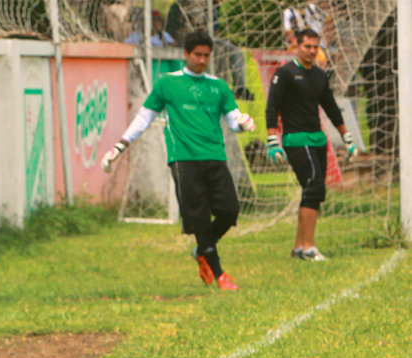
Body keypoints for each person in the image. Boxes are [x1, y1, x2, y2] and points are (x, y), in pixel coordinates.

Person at [102, 30, 256, 290]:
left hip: (214, 156)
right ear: (185, 54)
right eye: (197, 54)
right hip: (183, 159)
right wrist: (120, 145)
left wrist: (243, 123)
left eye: (207, 55)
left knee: (229, 211)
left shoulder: (219, 86)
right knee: (199, 218)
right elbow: (144, 118)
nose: (202, 60)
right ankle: (219, 274)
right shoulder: (167, 83)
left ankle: (202, 250)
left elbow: (233, 119)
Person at [265, 28, 357, 262]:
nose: (312, 51)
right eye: (307, 46)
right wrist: (272, 140)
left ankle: (298, 248)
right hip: (296, 139)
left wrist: (346, 136)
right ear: (297, 45)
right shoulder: (285, 73)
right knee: (314, 186)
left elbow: (330, 106)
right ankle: (309, 248)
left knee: (311, 190)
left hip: (317, 139)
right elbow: (272, 106)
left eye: (316, 47)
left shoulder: (319, 75)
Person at [166, 0, 253, 100]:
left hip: (207, 38)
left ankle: (240, 89)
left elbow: (215, 31)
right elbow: (174, 29)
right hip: (187, 39)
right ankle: (217, 87)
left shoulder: (214, 8)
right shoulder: (186, 5)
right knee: (217, 51)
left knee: (235, 51)